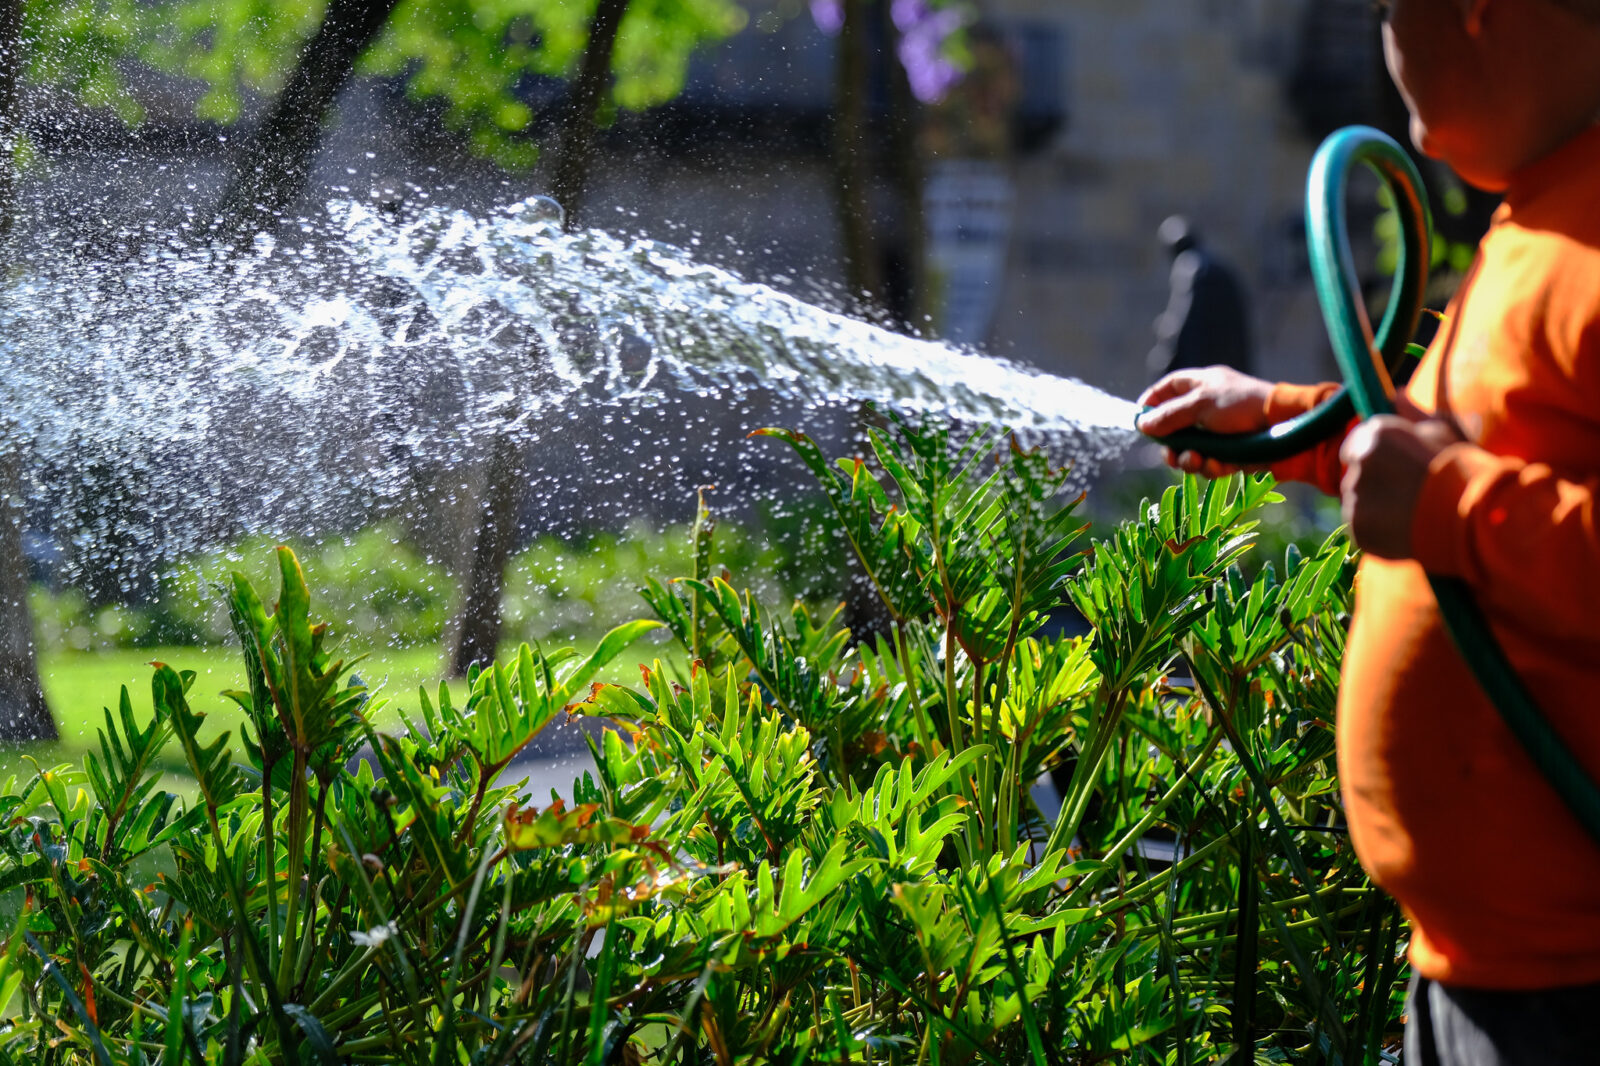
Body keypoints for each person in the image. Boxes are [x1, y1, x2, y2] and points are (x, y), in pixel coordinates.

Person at [1135, 1, 1600, 1062]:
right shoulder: (1535, 223)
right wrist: (1279, 424)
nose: (1382, 43)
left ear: (1477, 15)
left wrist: (1448, 506)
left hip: (1569, 985)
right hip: (1474, 963)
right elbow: (1446, 444)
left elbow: (1451, 484)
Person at [1145, 215, 1253, 382]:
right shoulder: (1217, 266)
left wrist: (1168, 351)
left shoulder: (1189, 267)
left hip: (1204, 359)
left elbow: (1184, 317)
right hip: (1228, 359)